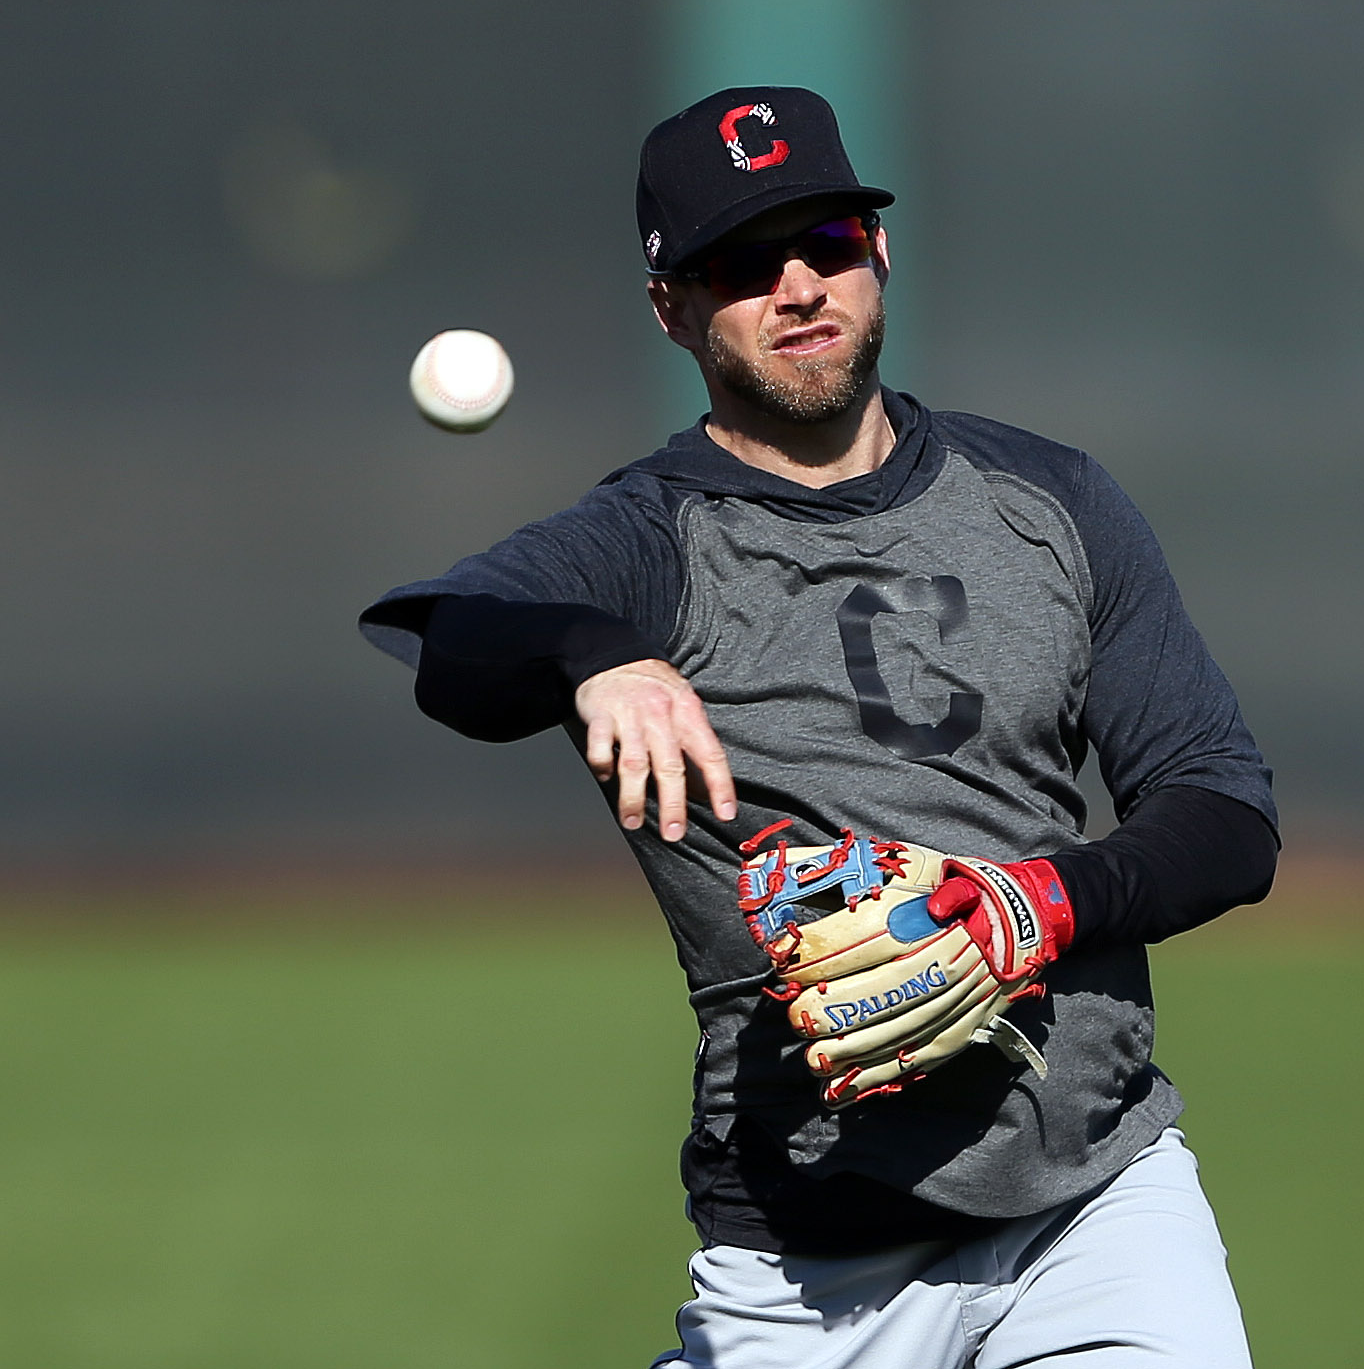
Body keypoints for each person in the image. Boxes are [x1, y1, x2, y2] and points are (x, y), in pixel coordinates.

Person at [358, 86, 1278, 1368]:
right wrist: (594, 655)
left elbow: (1225, 813)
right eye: (745, 261)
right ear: (672, 306)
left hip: (1099, 1204)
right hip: (812, 1256)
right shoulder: (647, 540)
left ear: (879, 251)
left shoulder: (1051, 502)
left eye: (827, 240)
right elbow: (455, 649)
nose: (799, 285)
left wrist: (1037, 907)